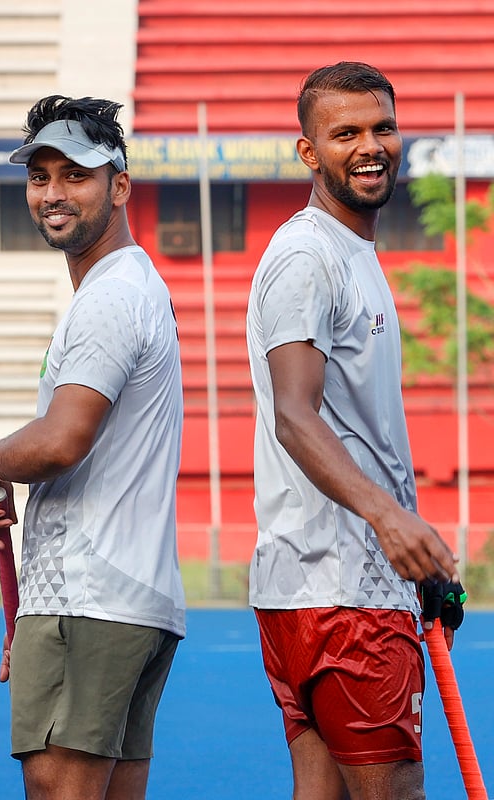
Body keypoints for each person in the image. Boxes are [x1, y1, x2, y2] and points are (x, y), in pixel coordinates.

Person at [246, 61, 467, 800]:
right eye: (346, 133)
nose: (371, 146)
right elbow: (294, 413)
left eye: (383, 127)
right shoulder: (309, 257)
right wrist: (390, 521)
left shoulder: (349, 254)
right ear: (308, 151)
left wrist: (413, 543)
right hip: (346, 594)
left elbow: (355, 431)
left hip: (325, 588)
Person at [0, 95, 186, 800]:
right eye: (40, 176)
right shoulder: (131, 286)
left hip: (89, 599)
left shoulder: (111, 296)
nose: (53, 193)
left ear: (119, 186)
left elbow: (61, 442)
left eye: (75, 175)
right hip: (126, 598)